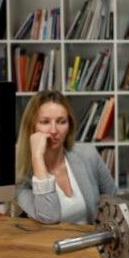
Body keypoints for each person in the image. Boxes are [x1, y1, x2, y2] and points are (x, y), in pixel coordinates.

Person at [15, 90, 117, 224]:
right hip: (49, 244)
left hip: (93, 241)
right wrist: (37, 157)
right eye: (45, 122)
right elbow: (49, 217)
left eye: (61, 122)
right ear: (31, 128)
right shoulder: (21, 177)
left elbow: (115, 202)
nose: (53, 130)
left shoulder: (88, 154)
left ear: (69, 126)